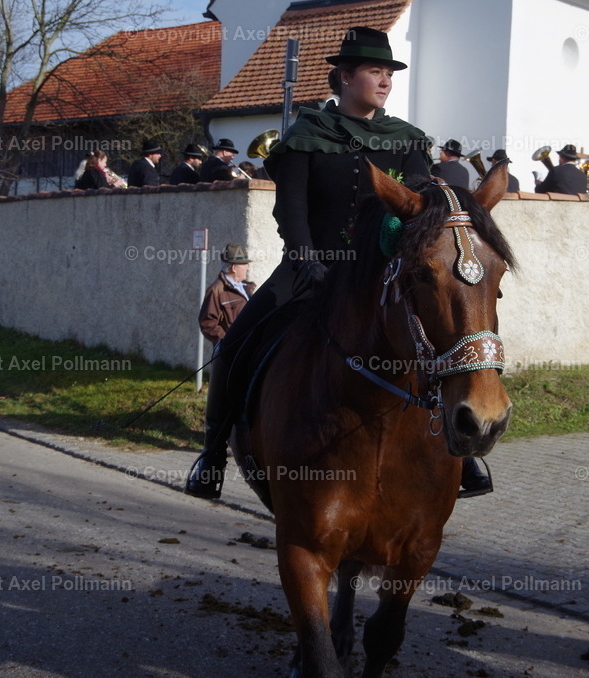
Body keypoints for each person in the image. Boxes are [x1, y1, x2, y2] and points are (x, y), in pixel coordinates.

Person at [185, 26, 493, 500]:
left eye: (389, 73)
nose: (385, 80)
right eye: (375, 71)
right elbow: (290, 210)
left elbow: (419, 213)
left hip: (382, 275)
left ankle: (462, 450)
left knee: (431, 338)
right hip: (309, 271)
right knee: (234, 345)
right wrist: (306, 258)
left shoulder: (407, 139)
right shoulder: (305, 136)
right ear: (346, 77)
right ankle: (212, 456)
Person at [198, 243, 256, 344]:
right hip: (234, 350)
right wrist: (227, 342)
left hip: (250, 345)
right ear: (234, 268)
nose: (248, 268)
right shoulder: (217, 290)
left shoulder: (246, 288)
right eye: (245, 264)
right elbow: (207, 323)